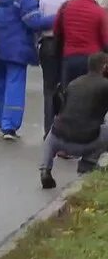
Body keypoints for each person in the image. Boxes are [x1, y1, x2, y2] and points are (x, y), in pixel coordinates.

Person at [0, 0, 54, 140]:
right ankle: (9, 126)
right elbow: (34, 21)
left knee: (1, 85)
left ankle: (0, 120)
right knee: (15, 85)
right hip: (17, 49)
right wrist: (58, 17)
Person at [40, 52, 108, 188]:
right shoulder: (105, 85)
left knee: (52, 134)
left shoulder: (73, 84)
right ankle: (88, 163)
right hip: (87, 141)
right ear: (105, 67)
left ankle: (45, 168)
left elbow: (60, 108)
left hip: (60, 139)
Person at [53, 0, 108, 88]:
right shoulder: (100, 12)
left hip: (70, 58)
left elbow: (56, 30)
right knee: (92, 96)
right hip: (92, 61)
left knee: (68, 93)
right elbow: (106, 40)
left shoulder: (66, 7)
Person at [38, 0, 72, 134]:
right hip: (65, 44)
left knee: (48, 89)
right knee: (65, 88)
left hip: (48, 44)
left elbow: (40, 20)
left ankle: (48, 129)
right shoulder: (71, 0)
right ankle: (62, 127)